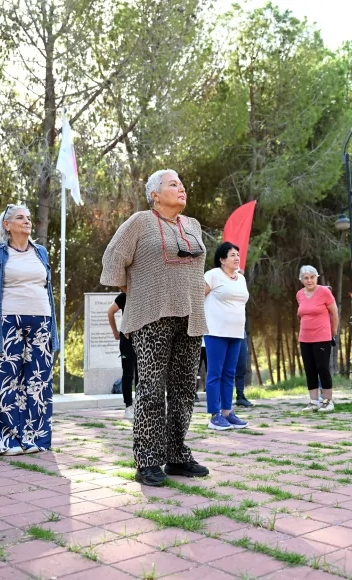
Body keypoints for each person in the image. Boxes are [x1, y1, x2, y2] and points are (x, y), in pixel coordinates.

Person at [100, 169, 209, 487]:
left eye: (182, 184)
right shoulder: (139, 221)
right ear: (155, 194)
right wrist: (135, 292)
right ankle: (147, 461)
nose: (182, 188)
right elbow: (113, 258)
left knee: (184, 391)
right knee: (149, 391)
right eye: (173, 184)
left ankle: (176, 455)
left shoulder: (193, 226)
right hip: (151, 317)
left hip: (190, 318)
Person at [0, 203, 59, 455]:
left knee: (37, 381)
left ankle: (34, 439)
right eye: (20, 218)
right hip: (7, 322)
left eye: (28, 218)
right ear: (7, 225)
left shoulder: (41, 252)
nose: (27, 221)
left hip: (42, 321)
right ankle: (3, 441)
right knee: (3, 379)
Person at [203, 242, 250, 430]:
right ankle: (214, 416)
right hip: (215, 331)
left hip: (236, 333)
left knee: (229, 374)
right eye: (232, 255)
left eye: (237, 254)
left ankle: (227, 413)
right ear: (222, 259)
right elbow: (197, 298)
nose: (237, 257)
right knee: (215, 373)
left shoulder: (241, 279)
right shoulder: (212, 275)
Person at [296, 266, 338, 412]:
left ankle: (328, 401)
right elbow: (301, 314)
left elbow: (334, 313)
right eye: (306, 278)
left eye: (312, 277)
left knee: (322, 368)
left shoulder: (324, 292)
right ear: (301, 279)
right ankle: (314, 402)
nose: (309, 280)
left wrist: (332, 332)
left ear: (317, 277)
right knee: (310, 369)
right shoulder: (300, 294)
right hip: (305, 338)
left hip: (322, 336)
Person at [108, 292, 137, 419]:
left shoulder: (145, 293)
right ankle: (128, 406)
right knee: (128, 374)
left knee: (142, 374)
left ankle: (141, 404)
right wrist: (115, 331)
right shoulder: (125, 295)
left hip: (143, 339)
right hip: (126, 339)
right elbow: (110, 311)